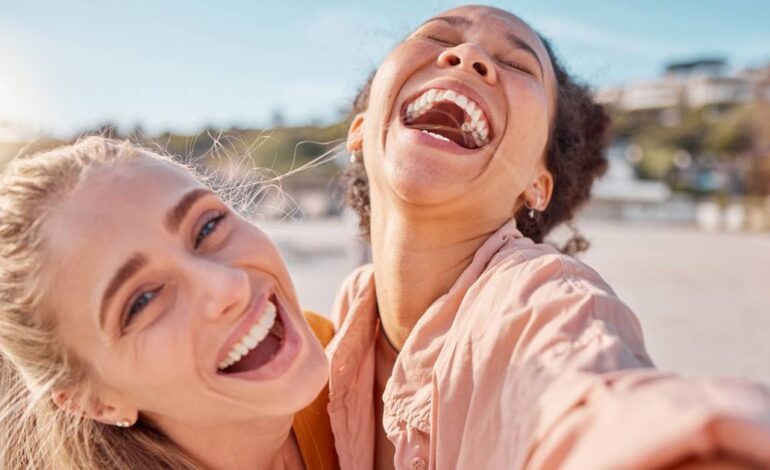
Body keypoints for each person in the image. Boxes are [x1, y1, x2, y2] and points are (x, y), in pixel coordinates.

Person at [328, 5, 770, 469]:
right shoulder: (339, 322)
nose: (468, 54)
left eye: (518, 65)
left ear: (537, 184)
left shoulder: (544, 299)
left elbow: (599, 405)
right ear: (358, 129)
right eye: (437, 38)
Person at [0, 137, 337, 469]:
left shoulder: (345, 351)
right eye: (143, 300)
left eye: (207, 227)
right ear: (94, 402)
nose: (230, 286)